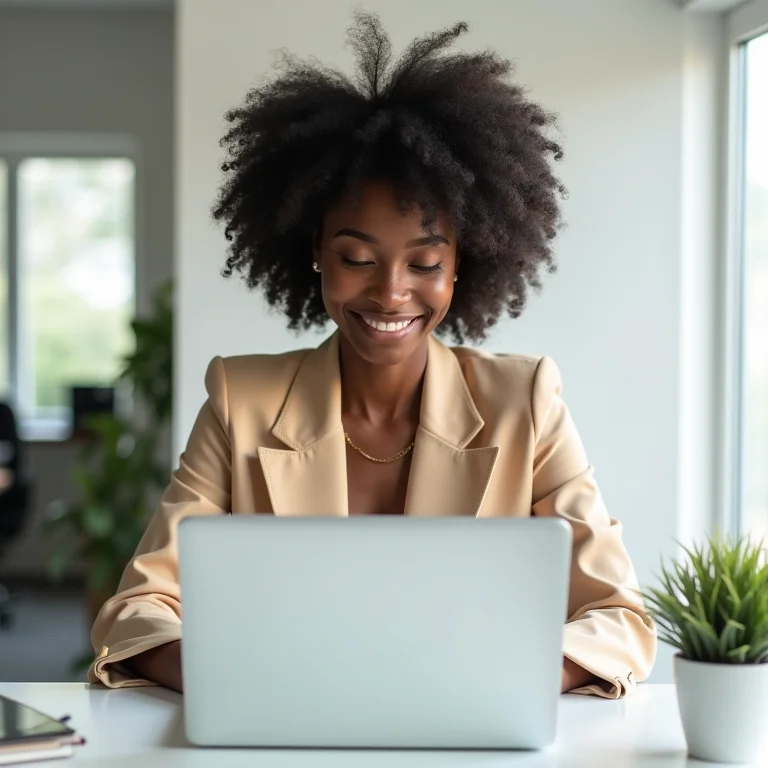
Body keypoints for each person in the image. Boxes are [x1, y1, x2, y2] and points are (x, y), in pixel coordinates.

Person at [88, 12, 656, 697]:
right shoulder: (243, 401)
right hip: (289, 721)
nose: (390, 292)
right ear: (316, 255)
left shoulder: (525, 403)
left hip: (465, 722)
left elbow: (618, 618)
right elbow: (137, 611)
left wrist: (496, 683)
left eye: (425, 263)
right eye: (357, 258)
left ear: (462, 266)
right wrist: (243, 682)